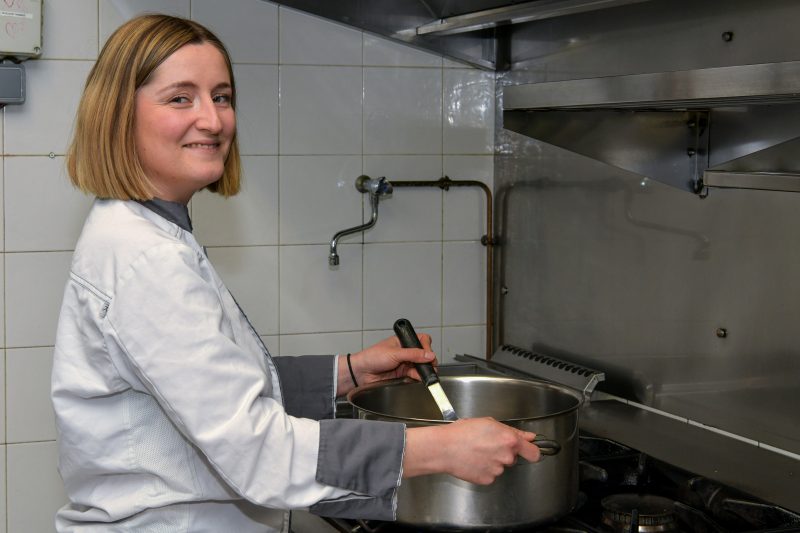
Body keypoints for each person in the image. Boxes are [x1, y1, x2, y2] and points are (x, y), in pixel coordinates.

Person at [51, 14, 542, 533]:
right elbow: (256, 448)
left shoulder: (145, 232)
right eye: (180, 98)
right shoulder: (144, 260)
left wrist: (350, 372)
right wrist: (437, 447)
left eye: (221, 96)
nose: (214, 121)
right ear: (117, 114)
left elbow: (219, 384)